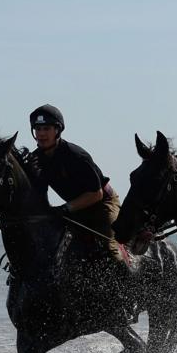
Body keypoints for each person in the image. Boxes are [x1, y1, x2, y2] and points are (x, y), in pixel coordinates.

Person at [29, 104, 124, 264]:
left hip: (102, 203)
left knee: (110, 250)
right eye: (38, 129)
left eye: (46, 129)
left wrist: (65, 208)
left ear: (57, 130)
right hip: (76, 208)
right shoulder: (36, 160)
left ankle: (129, 284)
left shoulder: (75, 155)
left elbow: (96, 194)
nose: (41, 134)